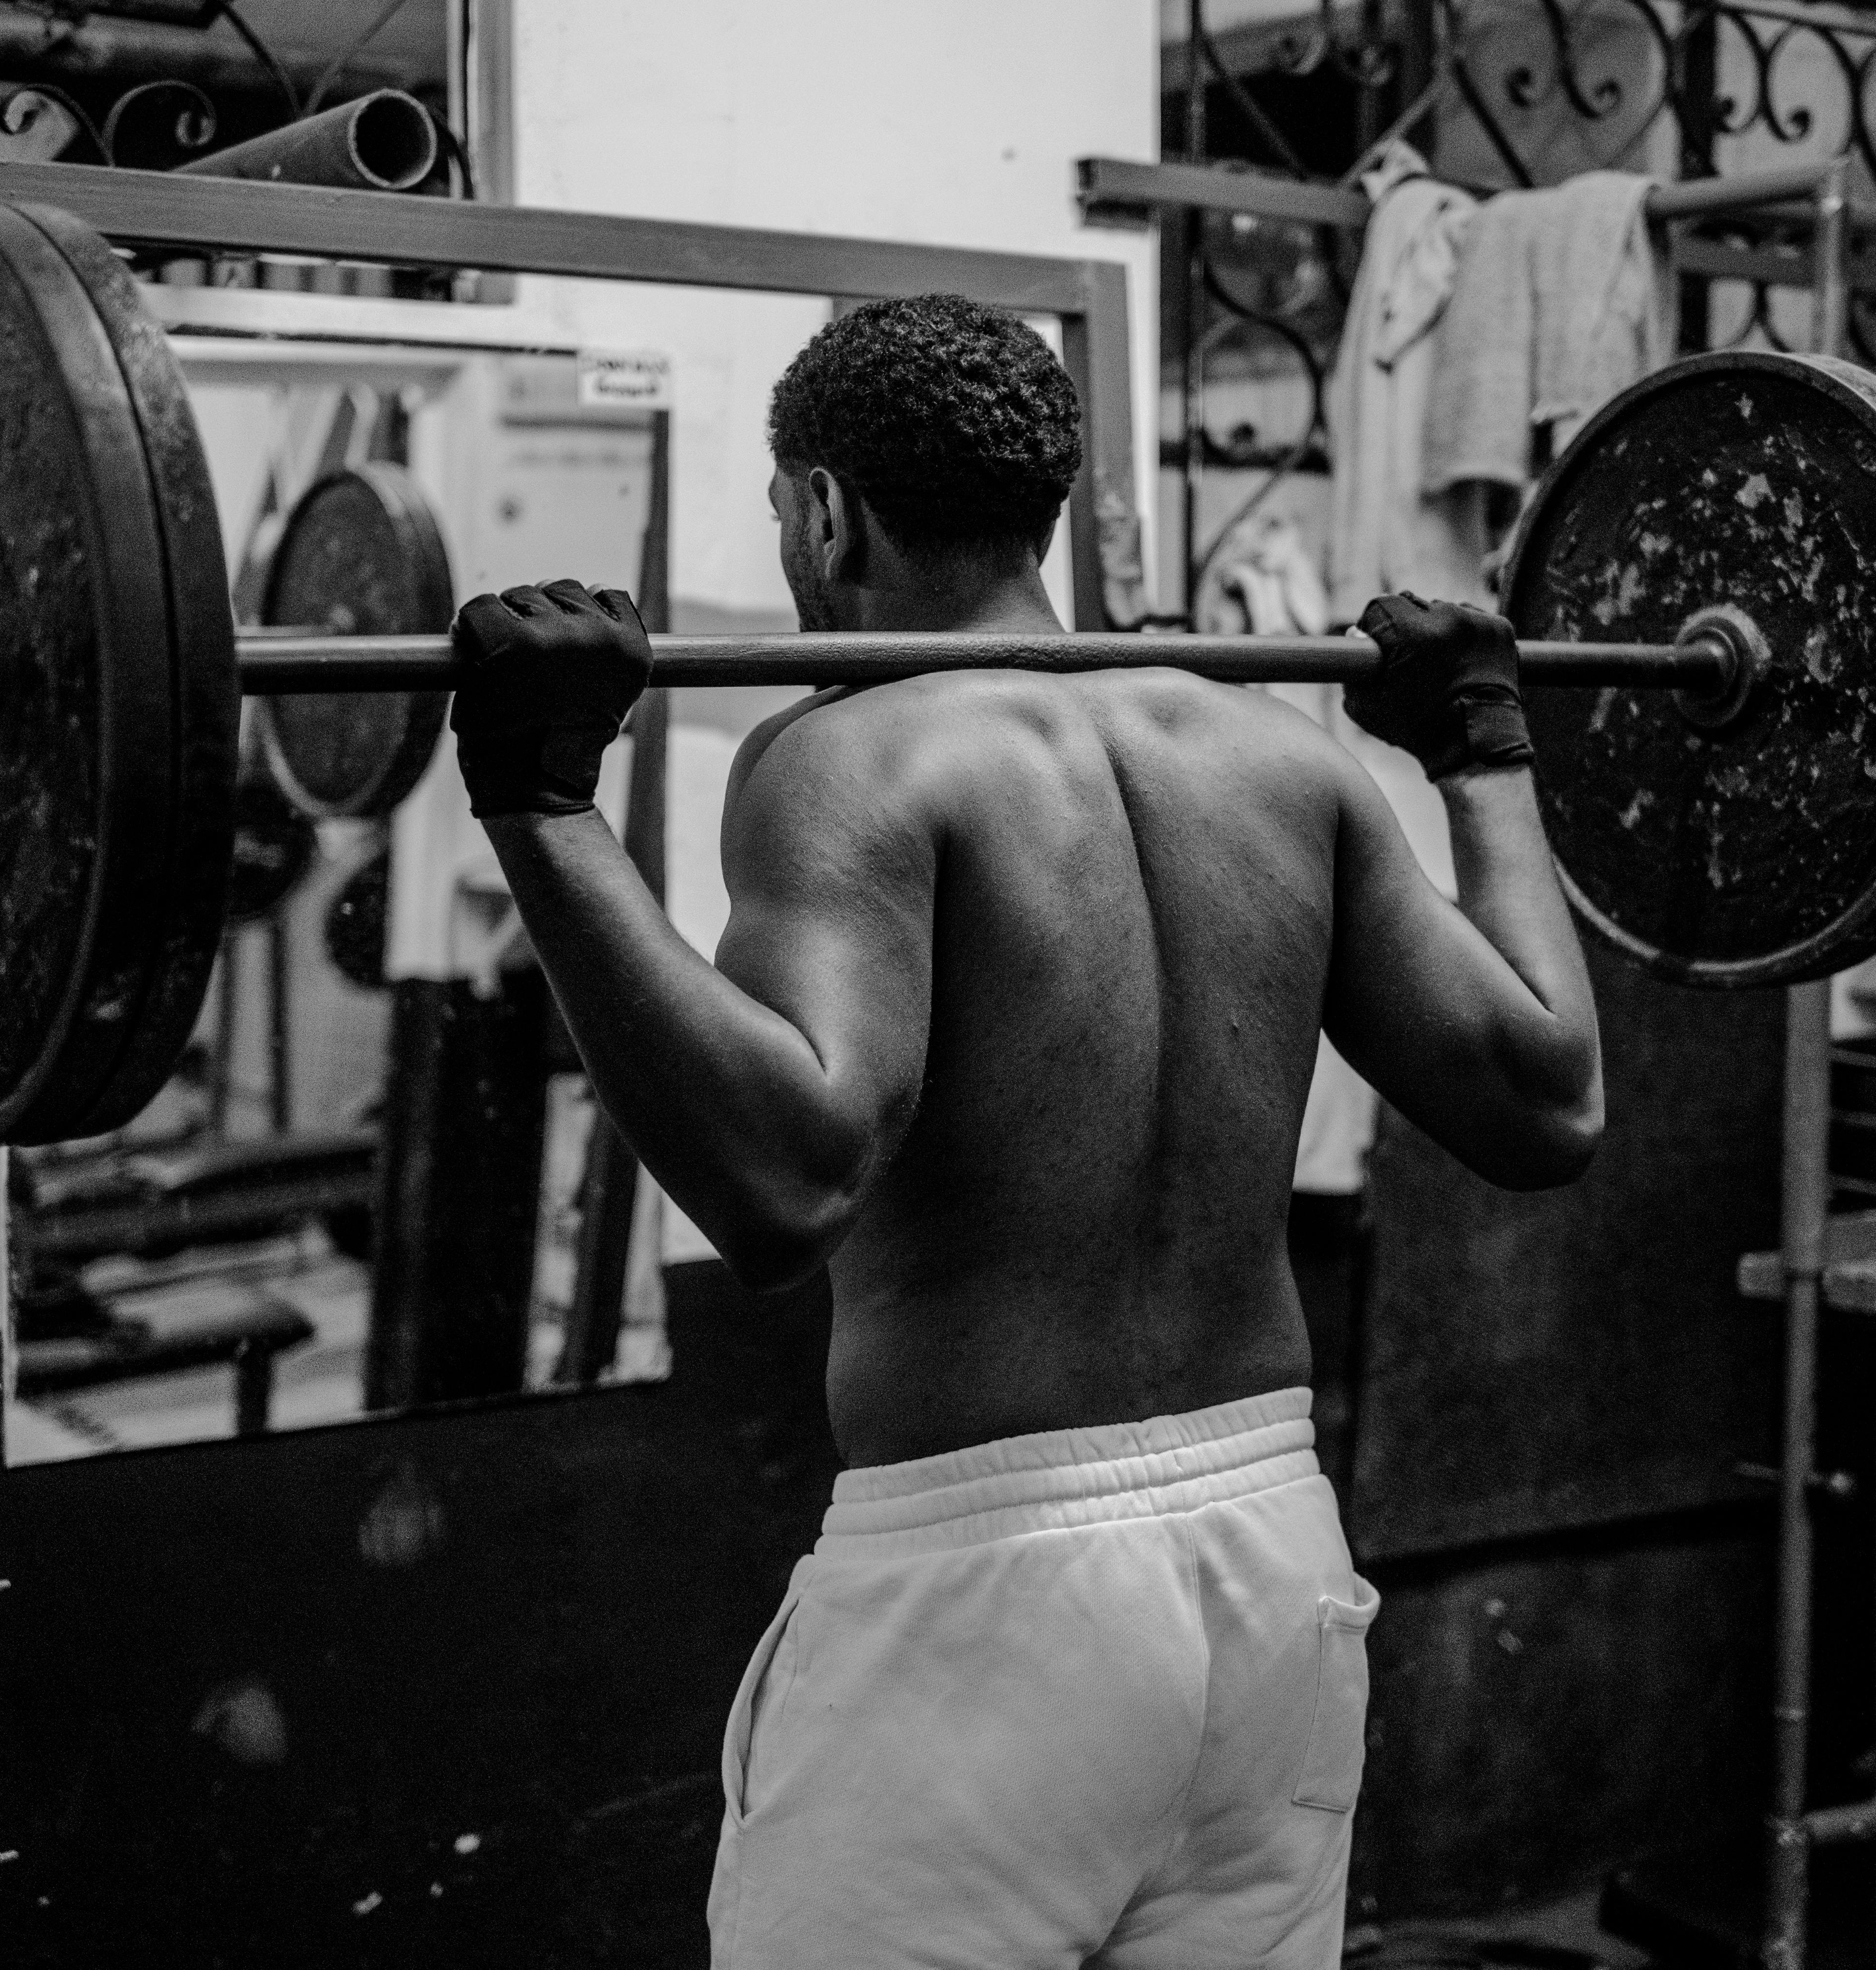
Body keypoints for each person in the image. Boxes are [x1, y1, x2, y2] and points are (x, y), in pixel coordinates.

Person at [449, 294, 1602, 1969]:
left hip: (981, 1601)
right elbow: (1549, 1095)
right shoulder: (1284, 758)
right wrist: (1484, 747)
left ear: (826, 510)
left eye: (787, 511)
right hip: (1274, 1569)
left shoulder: (849, 757)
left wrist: (542, 810)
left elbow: (786, 1182)